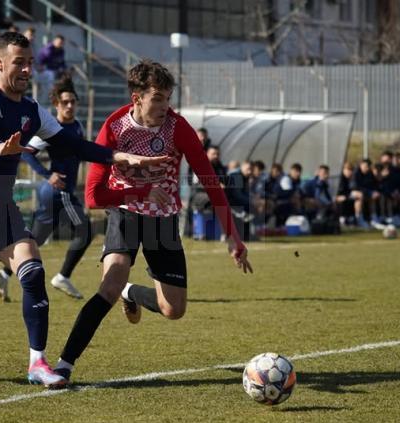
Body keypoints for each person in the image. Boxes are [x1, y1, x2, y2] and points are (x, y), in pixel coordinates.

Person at [0, 33, 166, 388]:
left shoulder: (31, 110)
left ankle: (37, 363)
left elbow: (71, 143)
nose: (26, 69)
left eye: (29, 63)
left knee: (32, 268)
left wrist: (118, 156)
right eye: (18, 63)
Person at [50, 60, 253, 386]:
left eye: (168, 98)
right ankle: (63, 365)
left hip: (164, 220)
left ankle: (131, 292)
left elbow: (210, 180)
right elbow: (92, 196)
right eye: (158, 98)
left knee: (173, 309)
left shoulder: (178, 127)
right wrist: (142, 190)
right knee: (110, 283)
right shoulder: (115, 127)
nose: (164, 106)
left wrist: (233, 236)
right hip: (124, 210)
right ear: (137, 98)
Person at [0, 77, 91, 301]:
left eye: (73, 101)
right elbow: (26, 152)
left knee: (34, 239)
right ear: (56, 105)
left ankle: (4, 274)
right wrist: (49, 175)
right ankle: (63, 276)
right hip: (59, 191)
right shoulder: (49, 129)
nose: (70, 106)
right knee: (85, 231)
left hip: (53, 194)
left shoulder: (77, 126)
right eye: (65, 102)